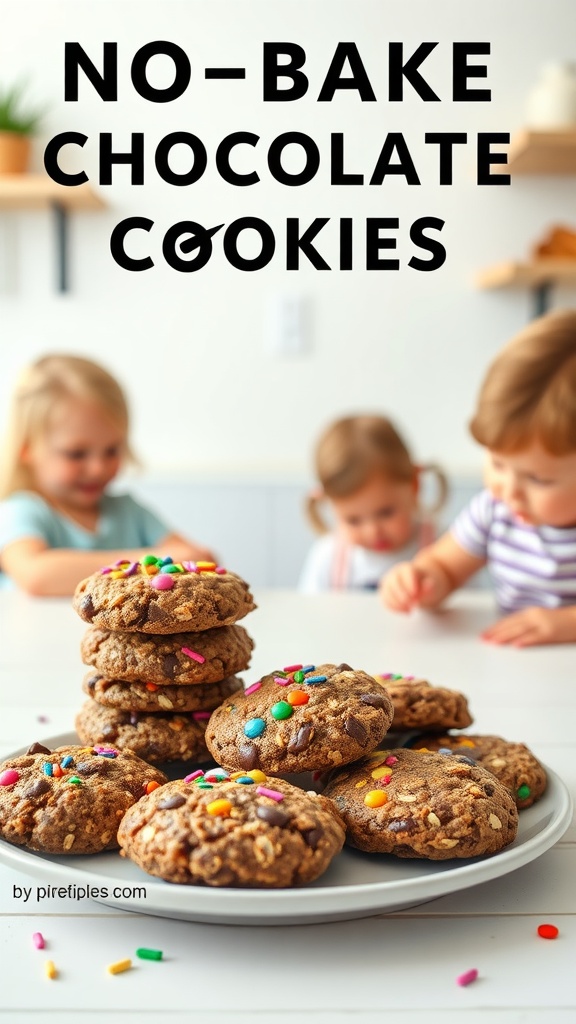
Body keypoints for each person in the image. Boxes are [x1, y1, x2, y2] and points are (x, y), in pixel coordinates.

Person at [381, 308, 576, 647]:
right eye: (498, 464)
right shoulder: (494, 510)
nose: (509, 491)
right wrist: (421, 580)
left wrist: (566, 624)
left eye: (539, 479)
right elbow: (446, 566)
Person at [0, 353, 216, 596]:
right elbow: (36, 576)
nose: (98, 468)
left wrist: (186, 559)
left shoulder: (129, 512)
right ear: (27, 449)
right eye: (77, 453)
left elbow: (197, 559)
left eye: (112, 450)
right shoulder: (21, 511)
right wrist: (145, 563)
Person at [298, 414, 447, 592]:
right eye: (353, 520)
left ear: (414, 485)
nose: (373, 531)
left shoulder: (445, 547)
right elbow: (311, 614)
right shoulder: (327, 556)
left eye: (385, 512)